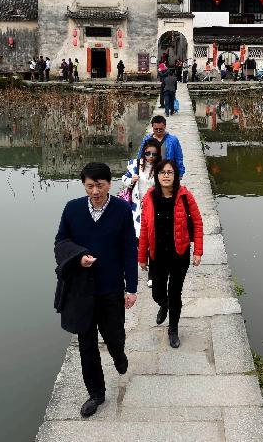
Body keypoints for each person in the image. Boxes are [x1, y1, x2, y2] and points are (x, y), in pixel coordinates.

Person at [54, 162, 137, 418]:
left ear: (109, 184)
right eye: (90, 186)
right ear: (84, 185)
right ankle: (96, 393)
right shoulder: (73, 209)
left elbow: (128, 251)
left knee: (114, 336)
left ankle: (119, 355)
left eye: (99, 185)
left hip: (111, 288)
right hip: (82, 290)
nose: (95, 191)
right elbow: (60, 242)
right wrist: (78, 258)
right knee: (86, 344)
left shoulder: (122, 210)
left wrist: (131, 288)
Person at [138, 159, 203, 348]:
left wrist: (198, 251)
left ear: (175, 176)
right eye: (162, 172)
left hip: (179, 254)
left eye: (170, 172)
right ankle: (163, 304)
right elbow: (144, 228)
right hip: (157, 255)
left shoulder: (184, 196)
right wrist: (142, 256)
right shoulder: (149, 197)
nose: (166, 176)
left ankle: (173, 329)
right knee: (157, 293)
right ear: (157, 176)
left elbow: (198, 223)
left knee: (175, 293)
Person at [121, 137, 162, 287]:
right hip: (137, 209)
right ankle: (141, 263)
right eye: (148, 153)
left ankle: (152, 274)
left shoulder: (161, 167)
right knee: (138, 240)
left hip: (155, 208)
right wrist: (131, 180)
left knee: (152, 240)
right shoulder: (134, 165)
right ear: (143, 153)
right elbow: (123, 179)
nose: (151, 157)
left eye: (154, 154)